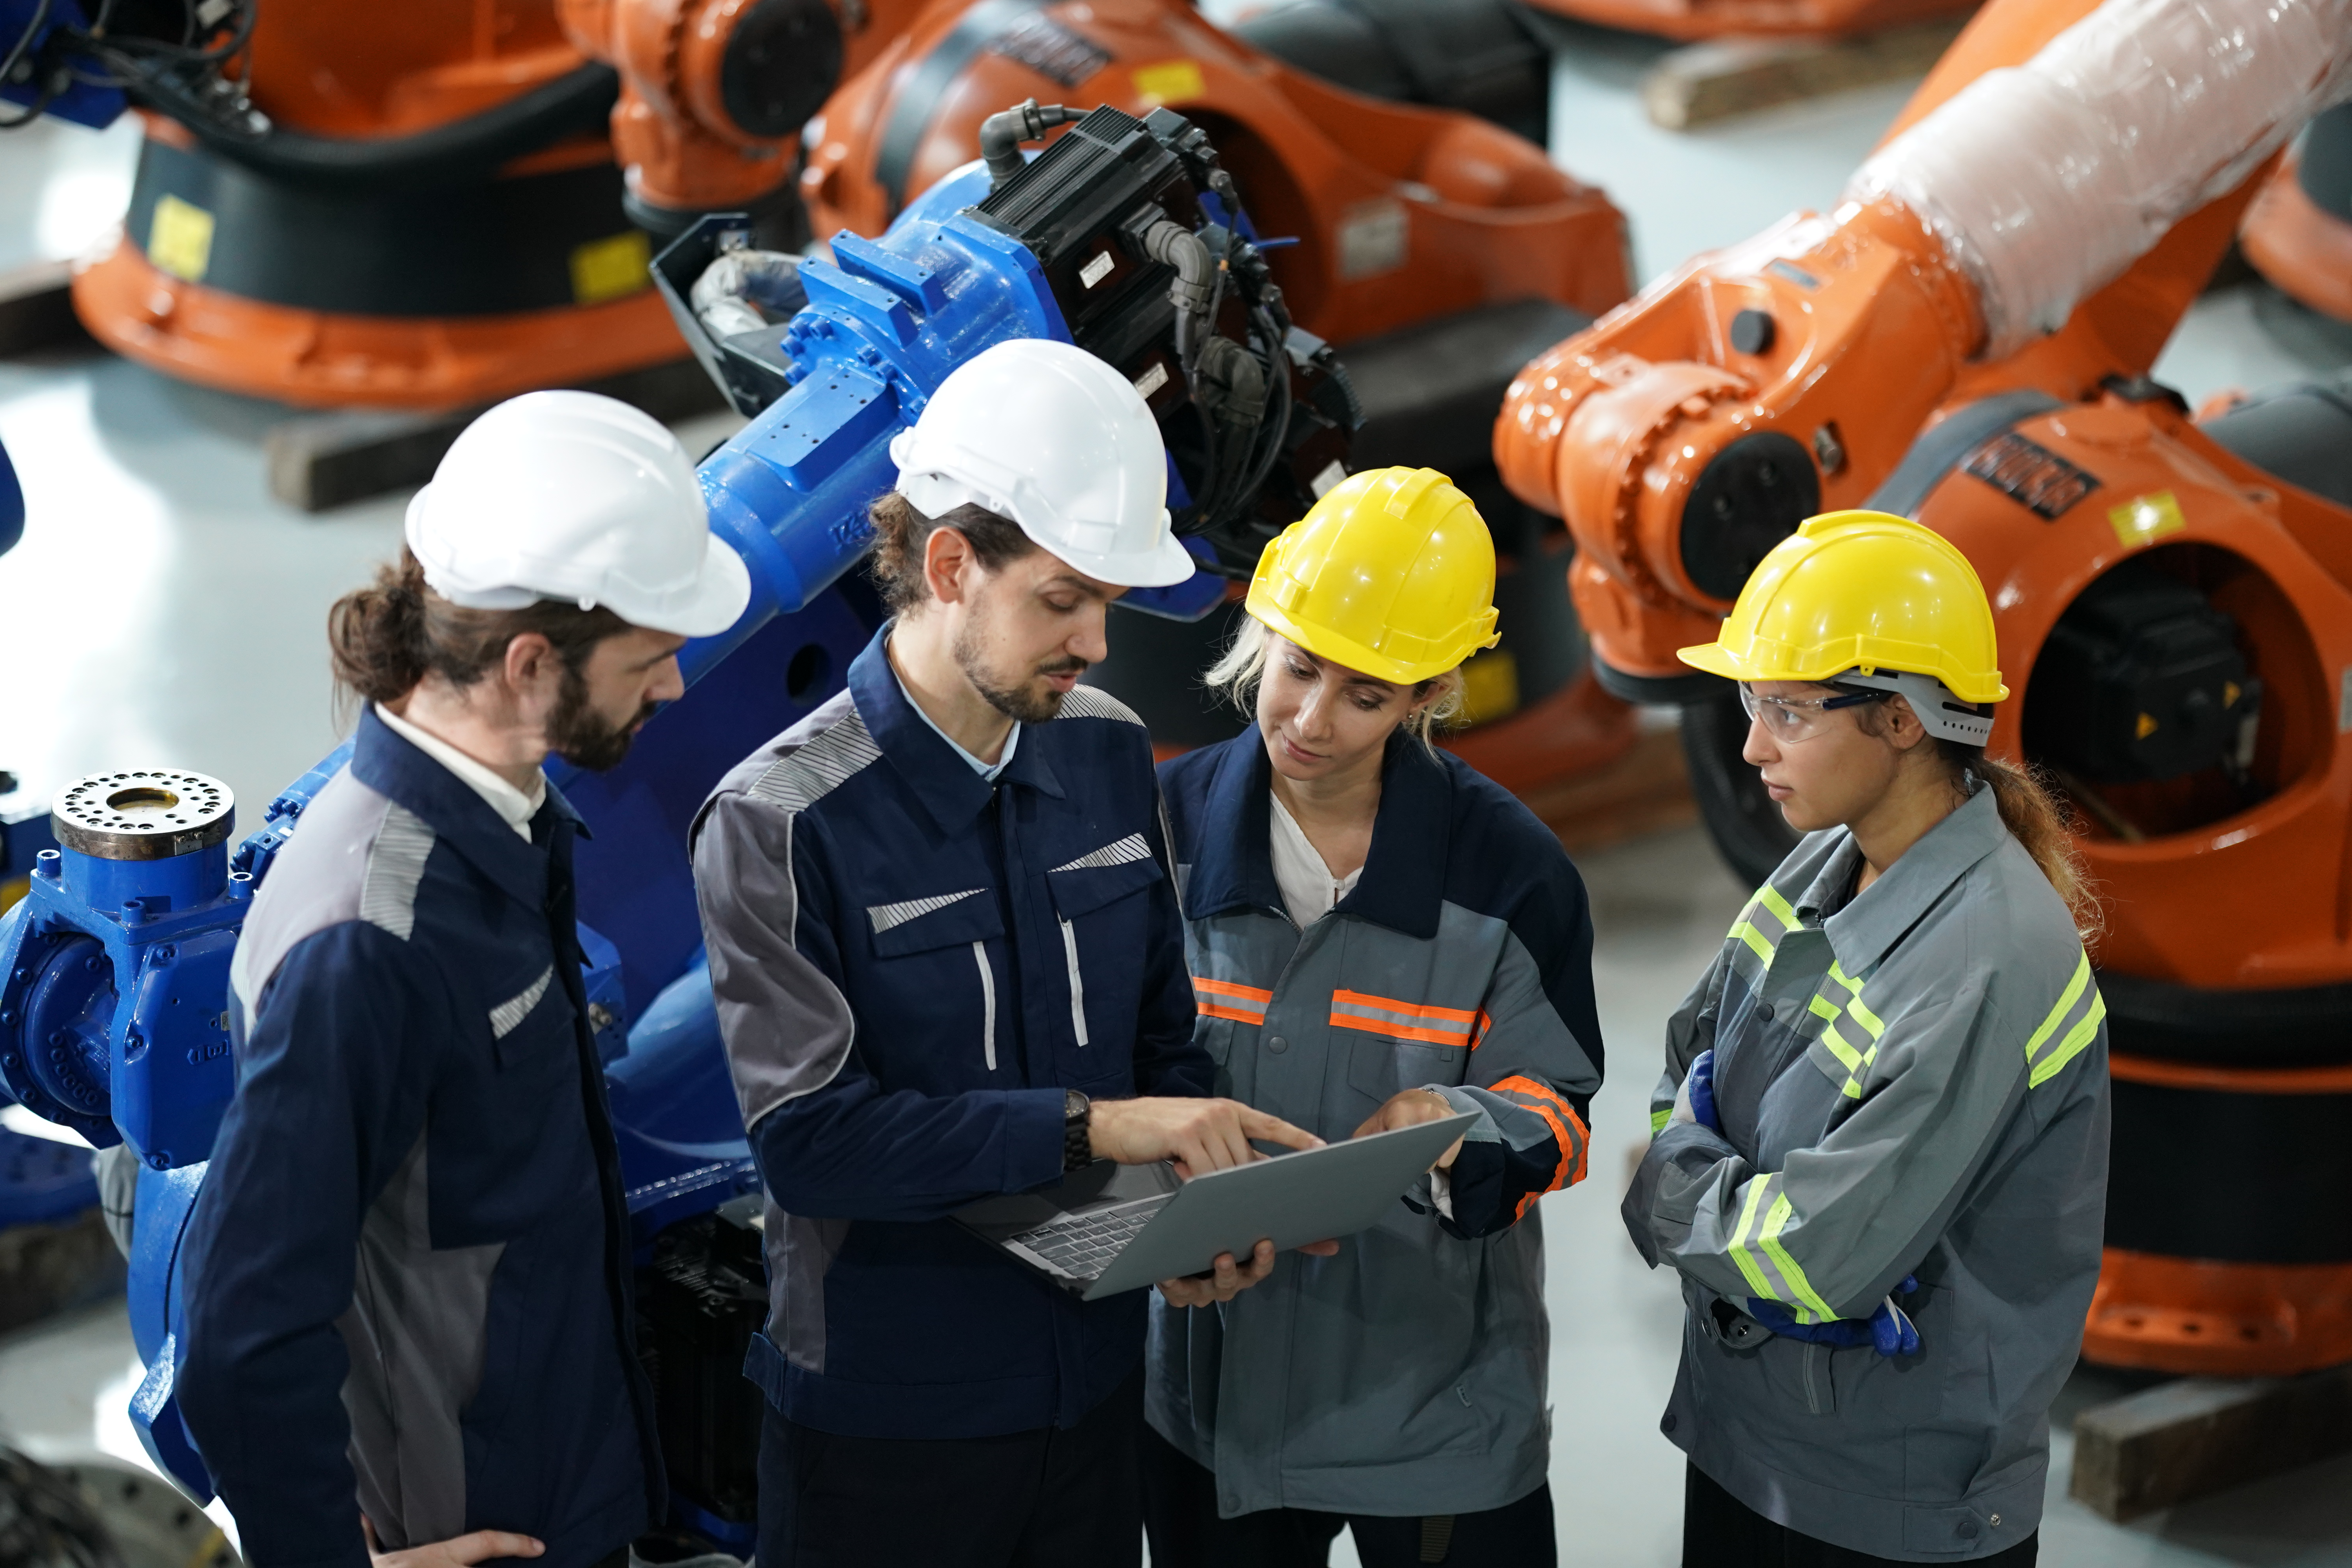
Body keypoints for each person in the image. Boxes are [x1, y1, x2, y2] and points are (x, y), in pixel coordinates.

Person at [690, 338, 1321, 1568]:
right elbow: (812, 1143)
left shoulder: (1101, 752)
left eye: (1109, 604)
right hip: (885, 1433)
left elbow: (1160, 1044)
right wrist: (1096, 1128)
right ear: (948, 565)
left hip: (1088, 1398)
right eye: (1062, 599)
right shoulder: (783, 816)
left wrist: (1194, 1207)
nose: (1095, 640)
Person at [177, 392, 750, 1568]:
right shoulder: (368, 939)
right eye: (651, 659)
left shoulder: (507, 815)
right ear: (529, 663)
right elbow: (242, 1328)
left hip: (568, 1475)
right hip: (476, 1523)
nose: (678, 688)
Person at [1623, 510, 2111, 1566]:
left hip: (1888, 1500)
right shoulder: (1825, 863)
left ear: (1900, 721)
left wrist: (1673, 1189)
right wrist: (1710, 1175)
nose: (1752, 745)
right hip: (1749, 1436)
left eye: (1788, 712)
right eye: (1752, 703)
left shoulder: (1986, 961)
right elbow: (1683, 1062)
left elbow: (1814, 1256)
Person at [1144, 466, 1604, 1567]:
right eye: (1298, 668)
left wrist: (1453, 1126)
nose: (1309, 720)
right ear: (1263, 628)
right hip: (1211, 1406)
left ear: (1431, 696)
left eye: (1366, 695)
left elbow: (1562, 1110)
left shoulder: (1511, 875)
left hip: (1435, 1403)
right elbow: (1107, 1079)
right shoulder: (1164, 831)